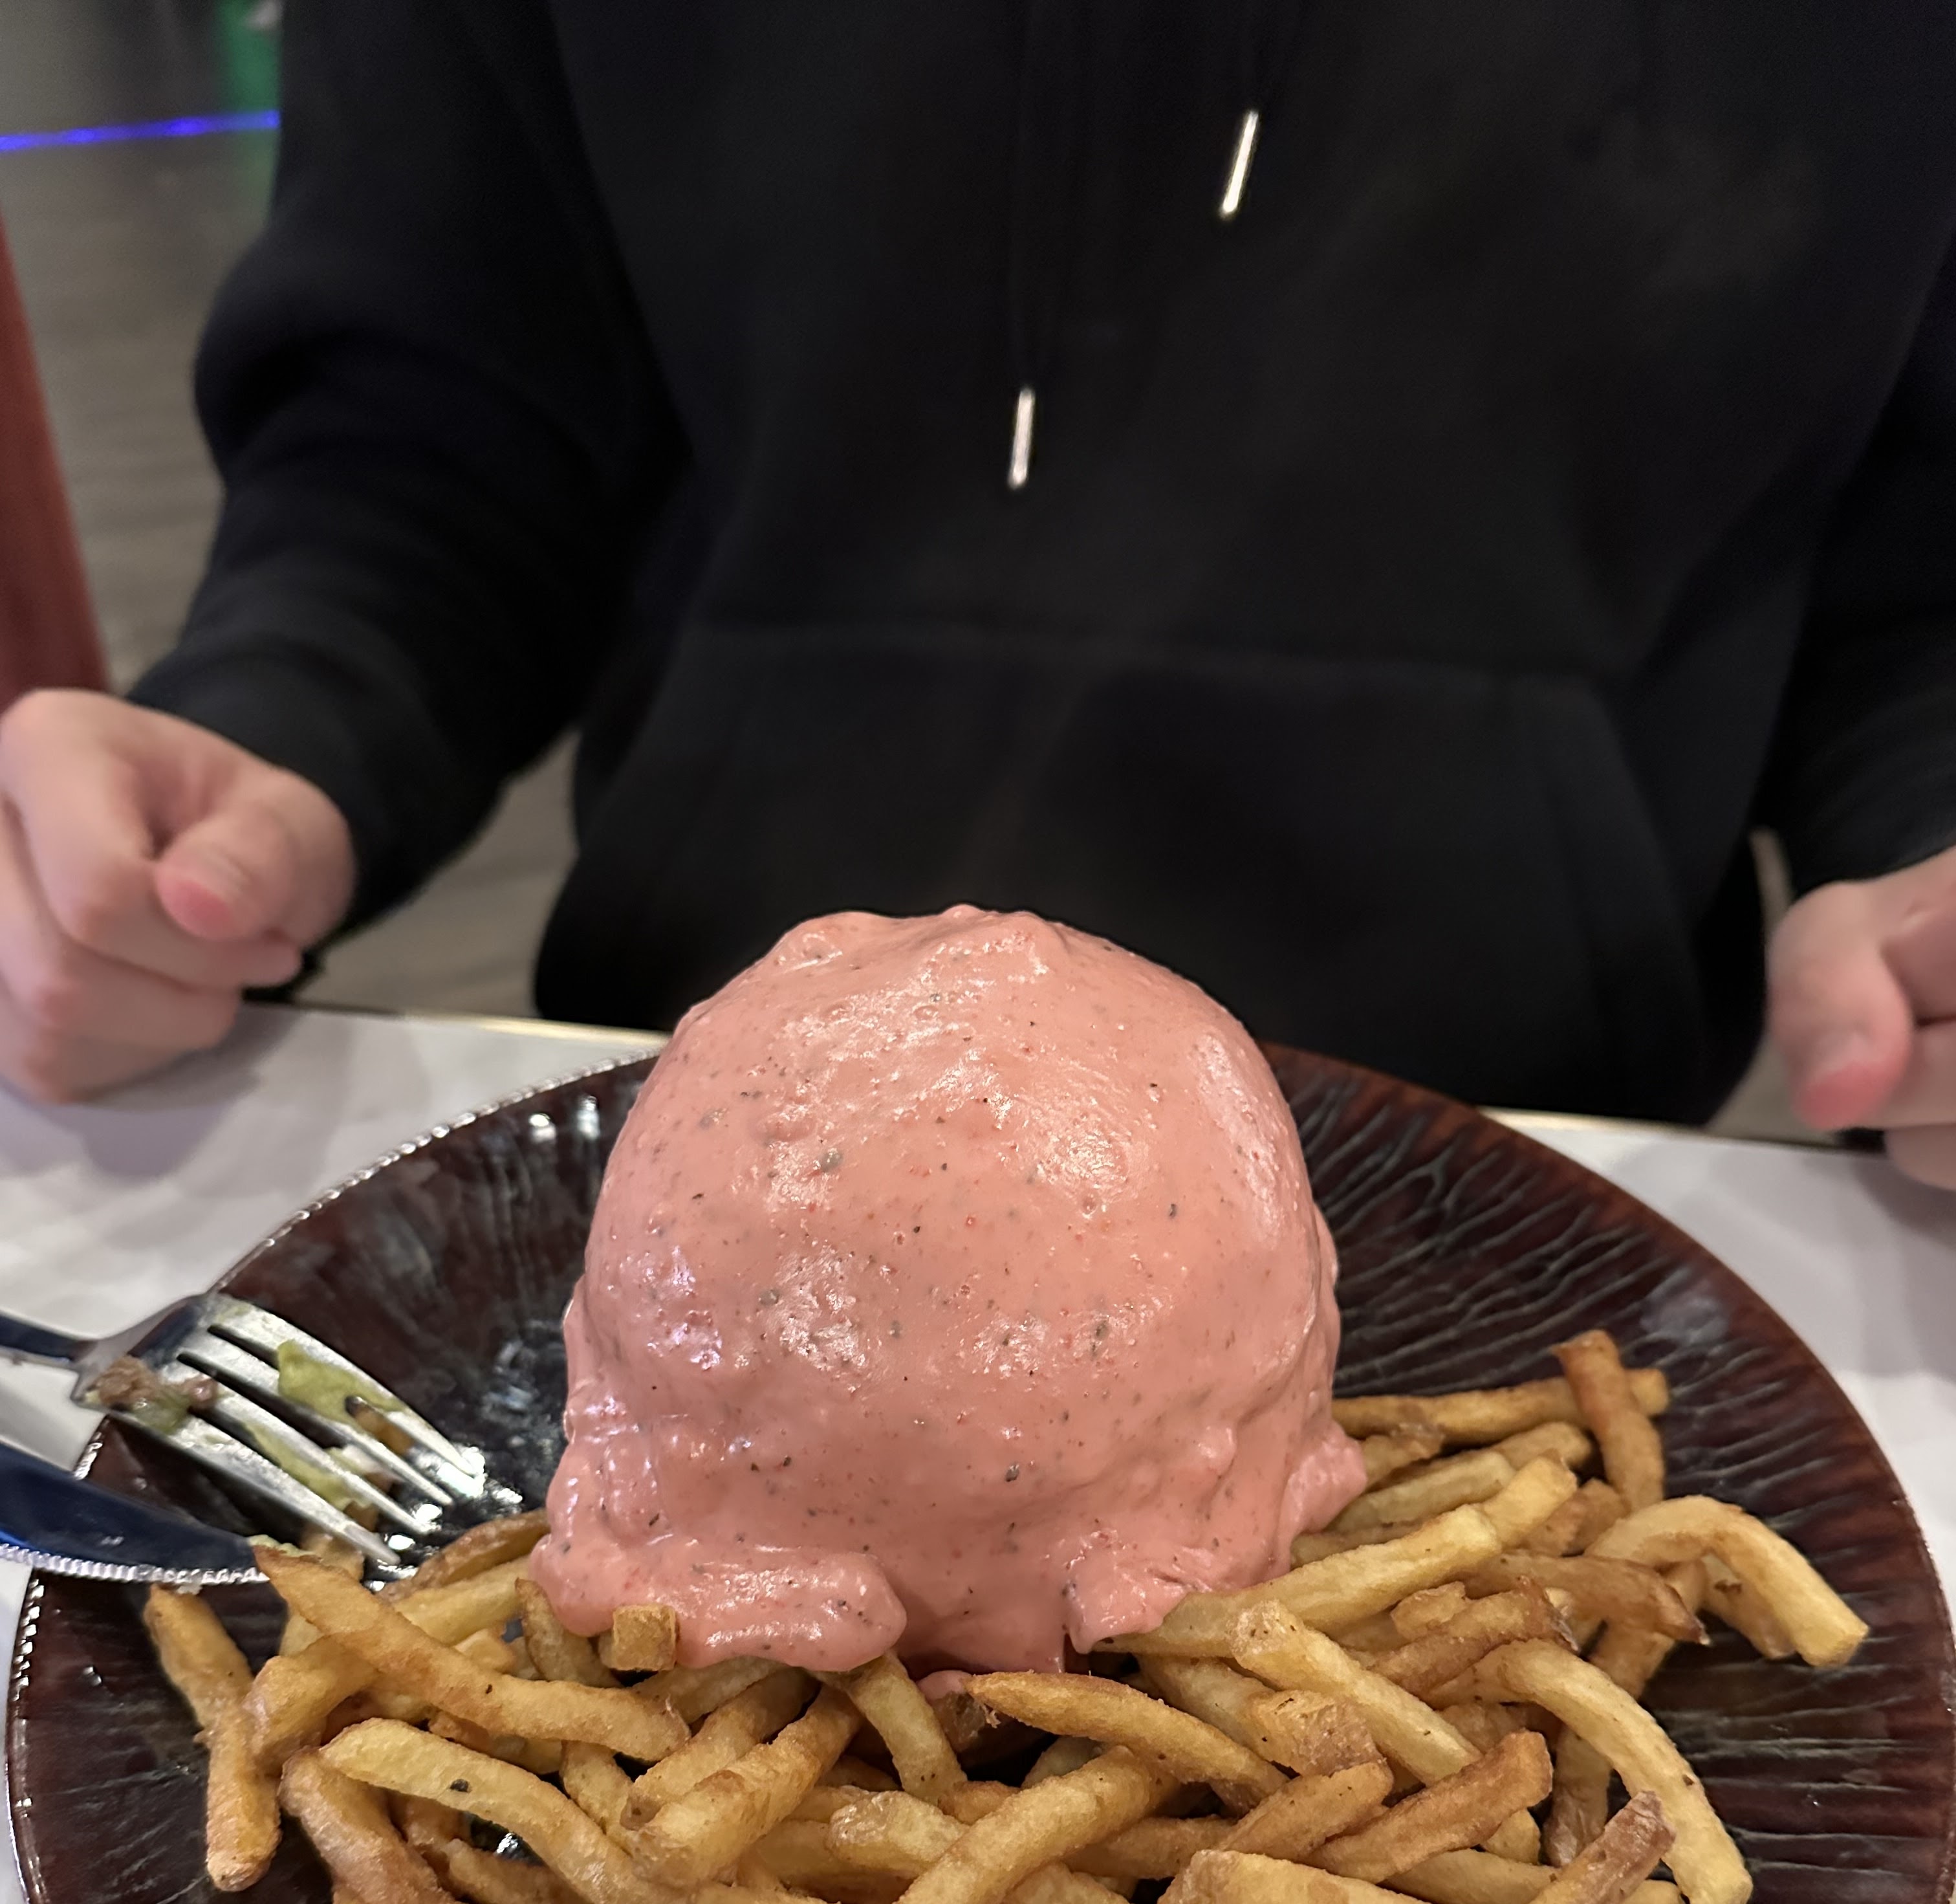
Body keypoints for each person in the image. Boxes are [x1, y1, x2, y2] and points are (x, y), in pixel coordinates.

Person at [1, 2, 1952, 1189]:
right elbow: (448, 425)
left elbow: (1914, 537)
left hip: (1562, 1161)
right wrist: (277, 720)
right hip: (704, 1147)